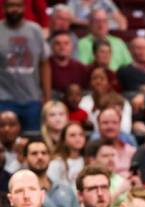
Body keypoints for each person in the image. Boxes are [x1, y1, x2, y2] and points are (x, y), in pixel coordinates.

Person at [0, 0, 51, 132]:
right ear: (4, 8)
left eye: (17, 5)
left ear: (24, 7)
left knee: (32, 140)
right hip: (4, 100)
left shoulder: (35, 30)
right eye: (10, 5)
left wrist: (47, 97)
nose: (14, 9)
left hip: (32, 100)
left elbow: (44, 64)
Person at [24, 138, 79, 207]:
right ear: (25, 158)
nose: (40, 157)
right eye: (34, 153)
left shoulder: (66, 188)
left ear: (50, 157)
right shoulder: (22, 191)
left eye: (44, 153)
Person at [49, 30, 90, 94]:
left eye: (66, 43)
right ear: (51, 47)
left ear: (72, 46)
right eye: (58, 43)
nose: (62, 47)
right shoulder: (45, 67)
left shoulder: (81, 68)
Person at [48, 122, 87, 187]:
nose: (78, 138)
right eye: (72, 135)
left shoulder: (90, 160)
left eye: (81, 134)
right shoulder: (56, 163)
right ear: (64, 140)